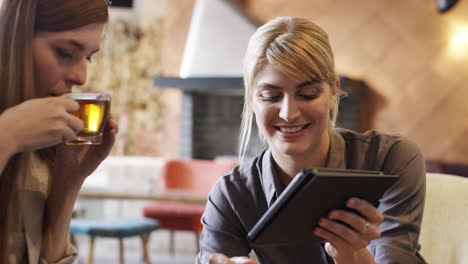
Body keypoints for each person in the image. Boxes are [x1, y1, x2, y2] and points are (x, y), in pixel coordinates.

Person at [197, 16, 426, 264]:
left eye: (307, 94)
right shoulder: (233, 194)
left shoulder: (391, 159)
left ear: (333, 92)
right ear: (252, 100)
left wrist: (355, 257)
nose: (288, 113)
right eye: (270, 96)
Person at [0, 0, 117, 263]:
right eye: (65, 52)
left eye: (88, 57)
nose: (81, 76)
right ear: (14, 41)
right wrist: (6, 137)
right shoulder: (13, 136)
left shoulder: (39, 149)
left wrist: (69, 181)